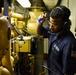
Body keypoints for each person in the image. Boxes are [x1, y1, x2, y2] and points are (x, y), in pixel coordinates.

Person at [37, 5, 76, 75]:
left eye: (54, 24)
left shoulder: (69, 43)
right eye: (50, 22)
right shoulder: (53, 31)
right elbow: (40, 32)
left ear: (64, 24)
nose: (51, 27)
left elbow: (68, 72)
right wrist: (40, 22)